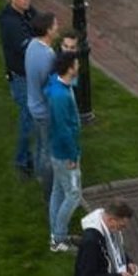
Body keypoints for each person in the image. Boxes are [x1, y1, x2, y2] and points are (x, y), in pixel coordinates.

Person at [0, 0, 35, 176]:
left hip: (31, 75)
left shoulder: (28, 12)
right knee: (27, 119)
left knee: (34, 117)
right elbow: (28, 46)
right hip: (21, 78)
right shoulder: (8, 22)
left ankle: (32, 155)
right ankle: (22, 160)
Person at [48, 50, 84, 252]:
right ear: (70, 68)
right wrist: (72, 155)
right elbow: (63, 130)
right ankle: (59, 238)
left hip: (57, 151)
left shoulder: (59, 85)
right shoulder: (60, 97)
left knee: (58, 191)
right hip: (65, 155)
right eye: (76, 64)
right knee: (73, 194)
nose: (78, 67)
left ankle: (55, 234)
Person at [24, 11, 58, 198]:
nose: (57, 28)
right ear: (47, 30)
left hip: (33, 106)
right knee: (48, 152)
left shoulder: (31, 45)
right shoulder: (48, 55)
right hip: (45, 111)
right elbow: (50, 87)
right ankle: (49, 189)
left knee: (39, 144)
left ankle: (39, 175)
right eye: (55, 25)